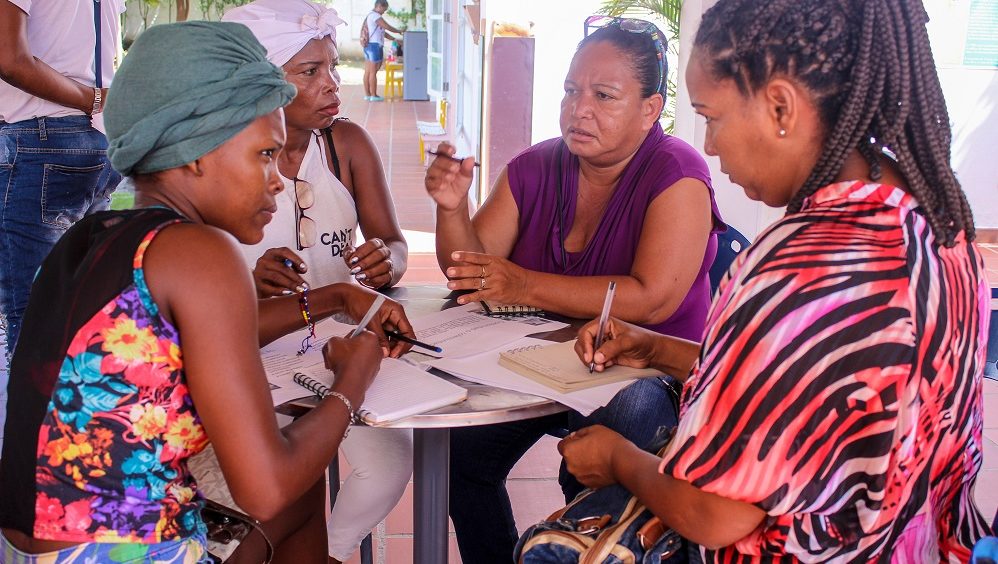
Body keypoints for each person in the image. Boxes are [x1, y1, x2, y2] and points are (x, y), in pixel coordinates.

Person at [561, 0, 993, 561]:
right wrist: (658, 350)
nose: (710, 146)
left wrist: (618, 458)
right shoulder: (938, 225)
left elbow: (714, 512)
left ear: (781, 107)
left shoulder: (799, 269)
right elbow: (824, 395)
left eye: (712, 117)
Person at [0, 21, 415, 564]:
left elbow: (196, 335)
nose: (276, 181)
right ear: (197, 152)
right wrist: (354, 376)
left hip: (50, 545)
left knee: (299, 495)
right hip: (130, 552)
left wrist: (334, 297)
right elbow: (266, 486)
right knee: (294, 480)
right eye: (264, 156)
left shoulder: (104, 223)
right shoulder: (201, 252)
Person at [425, 17, 723, 563]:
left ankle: (577, 550)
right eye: (570, 90)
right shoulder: (536, 165)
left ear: (650, 110)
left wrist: (524, 284)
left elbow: (652, 298)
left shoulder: (678, 173)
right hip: (545, 362)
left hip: (648, 368)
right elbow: (469, 268)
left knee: (610, 433)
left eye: (604, 96)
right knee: (460, 460)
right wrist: (451, 208)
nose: (578, 108)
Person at [222, 2, 410, 562]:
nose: (332, 85)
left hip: (342, 349)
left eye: (333, 67)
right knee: (281, 481)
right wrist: (251, 279)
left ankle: (328, 552)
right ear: (263, 82)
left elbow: (394, 245)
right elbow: (210, 288)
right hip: (258, 354)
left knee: (390, 464)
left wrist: (386, 260)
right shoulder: (228, 159)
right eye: (310, 72)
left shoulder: (345, 145)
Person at [0, 0, 124, 442]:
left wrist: (93, 98)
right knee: (80, 314)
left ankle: (31, 470)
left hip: (41, 140)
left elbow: (10, 59)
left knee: (31, 319)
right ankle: (77, 452)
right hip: (95, 142)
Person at [362, 0, 401, 102]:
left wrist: (394, 39)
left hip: (369, 46)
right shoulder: (375, 16)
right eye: (384, 9)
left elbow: (383, 33)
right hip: (374, 46)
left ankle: (368, 95)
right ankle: (373, 95)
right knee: (373, 71)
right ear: (379, 6)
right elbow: (387, 27)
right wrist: (399, 31)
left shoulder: (372, 16)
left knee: (369, 71)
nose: (384, 11)